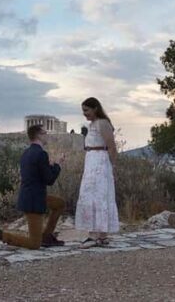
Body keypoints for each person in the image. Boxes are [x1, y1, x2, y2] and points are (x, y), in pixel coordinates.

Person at [0, 124, 66, 252]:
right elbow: (49, 180)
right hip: (34, 200)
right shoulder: (41, 154)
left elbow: (37, 174)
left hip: (31, 195)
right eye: (45, 133)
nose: (47, 135)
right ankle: (0, 235)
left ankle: (47, 236)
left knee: (59, 204)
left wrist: (50, 166)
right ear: (38, 135)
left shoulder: (27, 153)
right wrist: (58, 165)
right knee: (34, 244)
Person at [75, 97, 120, 248]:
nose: (84, 114)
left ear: (95, 109)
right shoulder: (92, 124)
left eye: (86, 110)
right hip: (92, 161)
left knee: (97, 195)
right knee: (92, 195)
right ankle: (100, 235)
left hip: (100, 163)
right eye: (83, 111)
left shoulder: (102, 123)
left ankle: (96, 235)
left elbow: (112, 146)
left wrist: (113, 166)